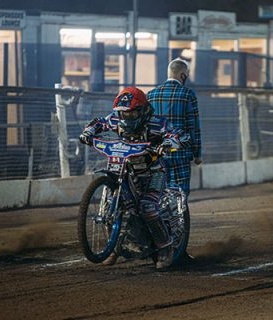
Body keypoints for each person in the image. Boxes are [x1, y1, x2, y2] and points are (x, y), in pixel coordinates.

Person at [79, 86, 190, 269]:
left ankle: (165, 248)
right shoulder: (116, 119)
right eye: (123, 114)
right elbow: (99, 123)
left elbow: (181, 135)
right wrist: (88, 133)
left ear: (143, 110)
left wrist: (168, 143)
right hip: (125, 170)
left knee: (147, 207)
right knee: (114, 207)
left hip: (153, 172)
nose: (126, 118)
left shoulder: (157, 123)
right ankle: (114, 249)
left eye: (131, 114)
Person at [147, 58, 202, 197]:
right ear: (183, 75)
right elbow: (193, 126)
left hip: (156, 154)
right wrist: (197, 153)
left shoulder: (151, 94)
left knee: (157, 193)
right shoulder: (188, 94)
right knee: (180, 194)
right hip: (180, 153)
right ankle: (179, 218)